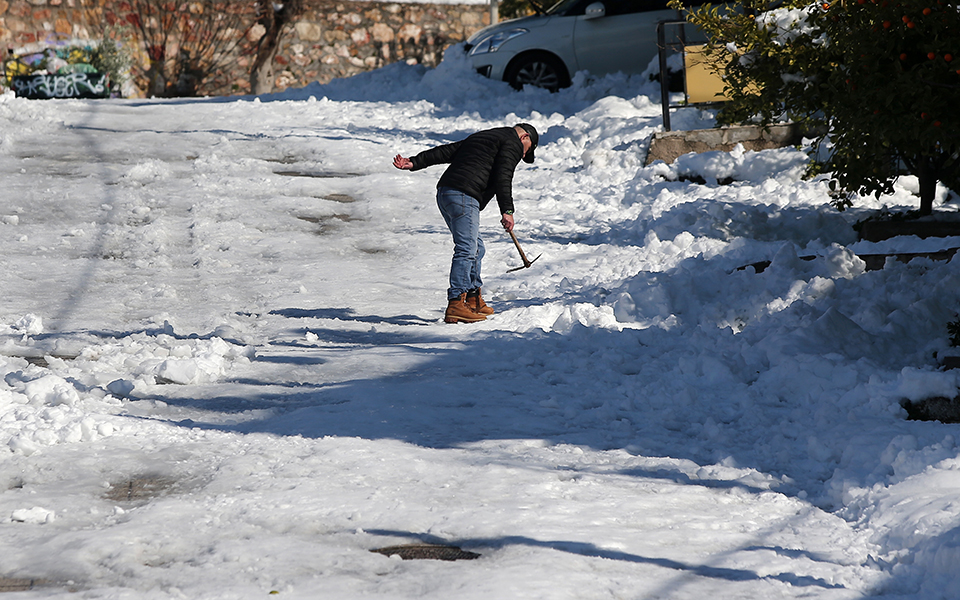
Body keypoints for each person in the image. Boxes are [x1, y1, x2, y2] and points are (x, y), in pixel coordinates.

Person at [393, 123, 539, 324]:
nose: (523, 156)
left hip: (446, 193)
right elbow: (503, 176)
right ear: (525, 138)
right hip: (464, 194)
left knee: (477, 248)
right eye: (527, 150)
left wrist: (416, 162)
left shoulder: (486, 136)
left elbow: (447, 151)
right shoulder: (512, 143)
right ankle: (456, 303)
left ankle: (473, 298)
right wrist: (507, 210)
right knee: (467, 248)